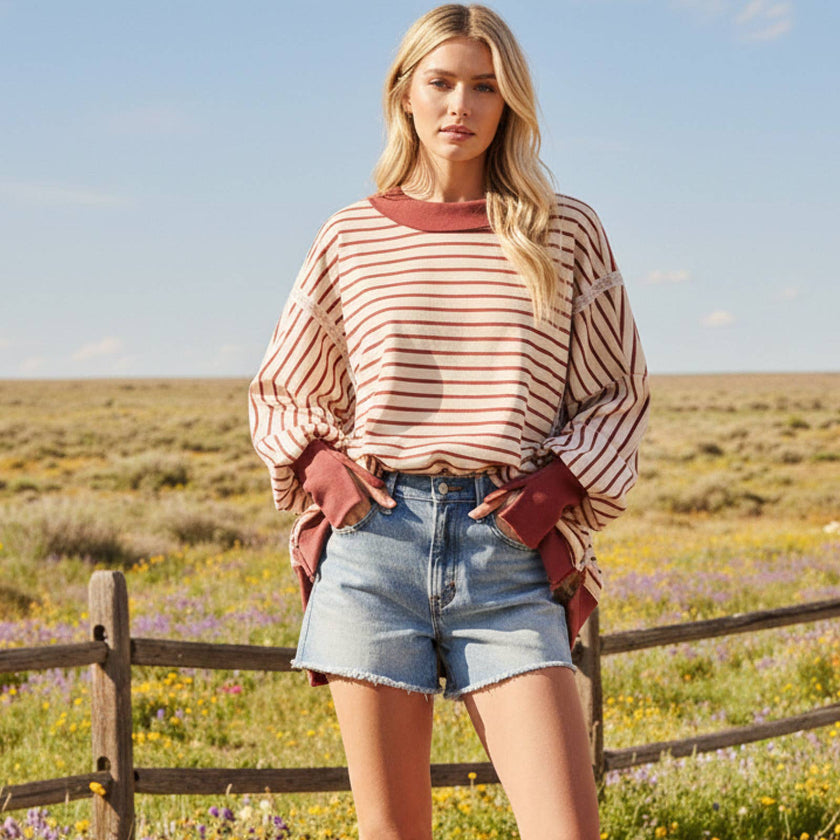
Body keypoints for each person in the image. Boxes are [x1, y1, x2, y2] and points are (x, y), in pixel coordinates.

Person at [249, 4, 649, 838]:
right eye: (441, 82)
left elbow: (617, 393)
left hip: (506, 559)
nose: (460, 105)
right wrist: (327, 478)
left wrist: (547, 496)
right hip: (374, 551)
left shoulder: (562, 230)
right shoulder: (349, 237)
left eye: (484, 87)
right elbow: (285, 387)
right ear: (404, 94)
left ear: (510, 105)